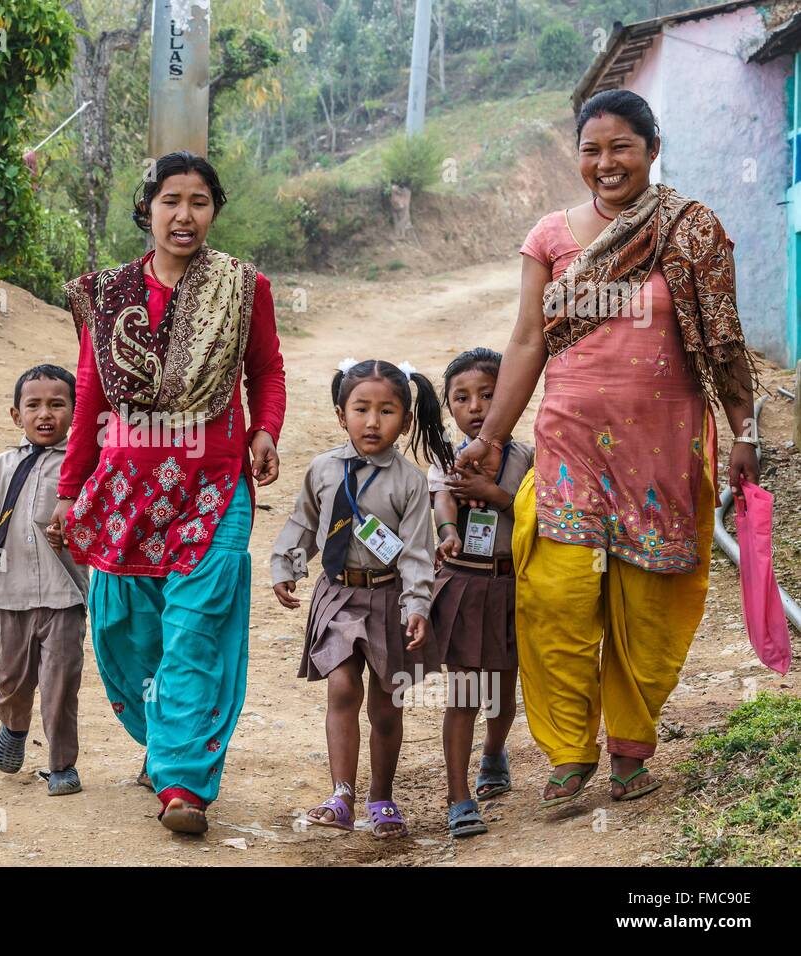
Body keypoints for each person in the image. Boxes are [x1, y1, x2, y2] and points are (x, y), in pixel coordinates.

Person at [452, 89, 760, 807]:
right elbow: (528, 339)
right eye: (592, 149)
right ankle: (568, 751)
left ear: (653, 150)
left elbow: (723, 341)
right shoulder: (552, 236)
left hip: (665, 447)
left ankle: (629, 746)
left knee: (649, 601)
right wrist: (492, 436)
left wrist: (745, 433)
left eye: (622, 146)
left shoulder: (691, 230)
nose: (606, 161)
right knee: (555, 594)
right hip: (569, 444)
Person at [46, 151, 286, 834]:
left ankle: (182, 782)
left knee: (195, 628)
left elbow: (266, 371)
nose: (185, 215)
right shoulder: (109, 291)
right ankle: (162, 736)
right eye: (171, 200)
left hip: (214, 486)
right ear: (146, 209)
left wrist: (264, 430)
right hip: (124, 486)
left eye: (201, 201)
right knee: (125, 628)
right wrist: (70, 490)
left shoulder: (243, 288)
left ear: (215, 210)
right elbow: (90, 389)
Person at [271, 359, 447, 838]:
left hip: (389, 598)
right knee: (343, 687)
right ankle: (342, 794)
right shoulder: (324, 469)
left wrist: (417, 607)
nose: (373, 422)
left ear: (406, 419)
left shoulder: (410, 482)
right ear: (339, 413)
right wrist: (287, 565)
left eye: (387, 411)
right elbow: (305, 523)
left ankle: (382, 795)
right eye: (361, 409)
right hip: (339, 593)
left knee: (387, 705)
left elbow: (415, 552)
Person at [0, 365, 89, 796]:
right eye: (34, 405)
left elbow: (98, 519)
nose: (46, 414)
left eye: (57, 404)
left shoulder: (82, 467)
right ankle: (14, 726)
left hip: (66, 596)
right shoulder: (3, 465)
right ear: (15, 414)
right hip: (11, 594)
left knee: (62, 686)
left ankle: (62, 765)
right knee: (12, 682)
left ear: (75, 413)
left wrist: (78, 530)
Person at [429, 348, 533, 837]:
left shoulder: (528, 459)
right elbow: (443, 499)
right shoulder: (445, 458)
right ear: (449, 407)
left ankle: (493, 754)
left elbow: (537, 514)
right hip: (464, 585)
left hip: (512, 584)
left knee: (503, 687)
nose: (476, 407)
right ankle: (458, 798)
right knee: (465, 691)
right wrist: (448, 530)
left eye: (489, 395)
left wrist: (499, 498)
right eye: (462, 398)